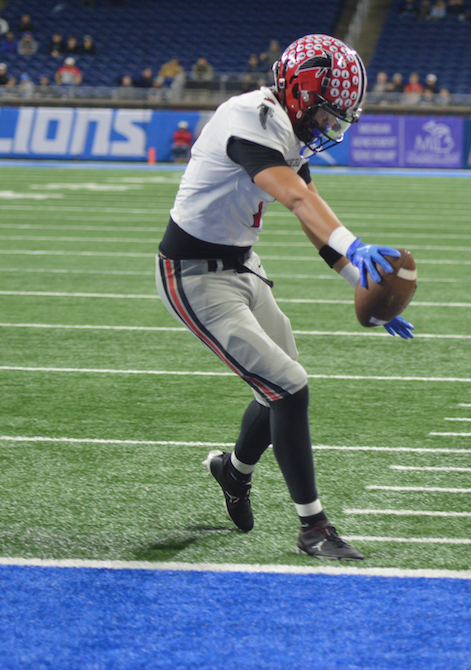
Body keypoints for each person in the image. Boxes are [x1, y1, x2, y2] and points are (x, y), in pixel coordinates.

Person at [154, 34, 412, 562]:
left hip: (242, 266)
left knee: (279, 383)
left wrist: (358, 282)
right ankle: (313, 527)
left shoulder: (288, 129)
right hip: (194, 275)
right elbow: (295, 198)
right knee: (289, 388)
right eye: (326, 113)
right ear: (298, 92)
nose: (330, 126)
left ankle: (233, 472)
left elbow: (312, 210)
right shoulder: (248, 118)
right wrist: (355, 246)